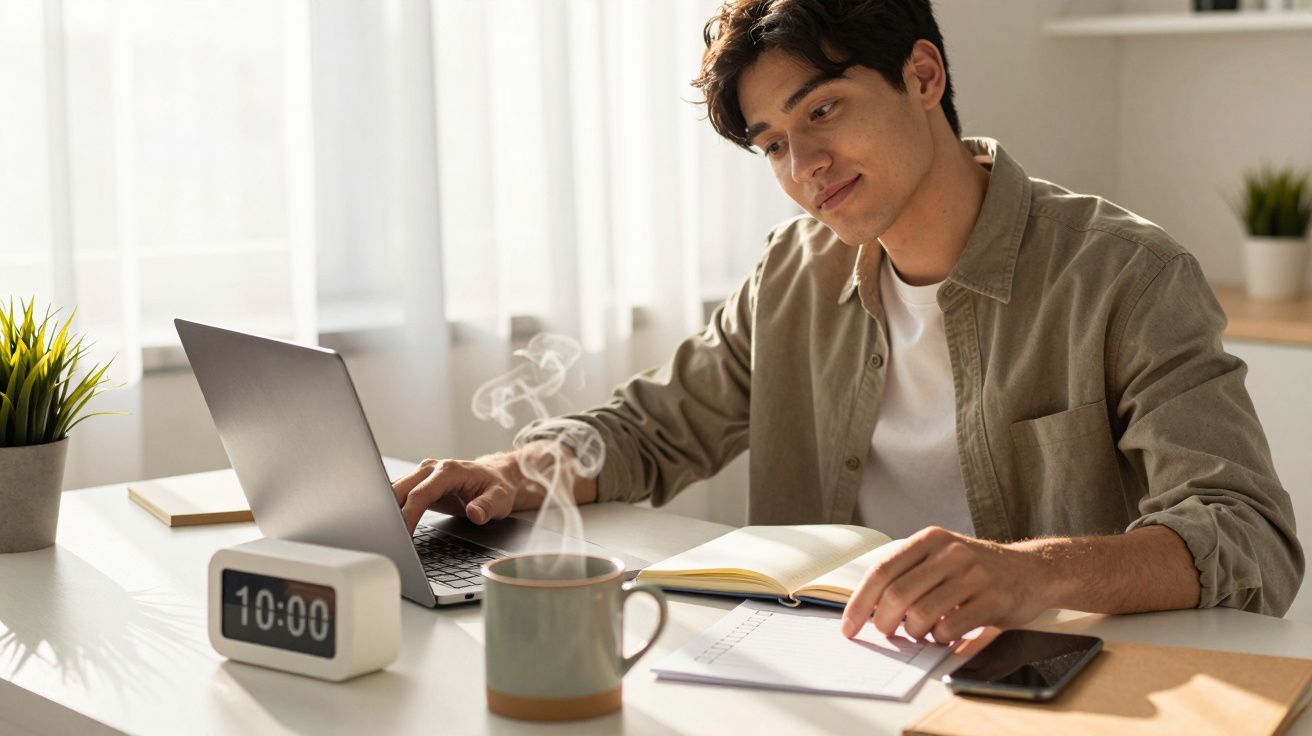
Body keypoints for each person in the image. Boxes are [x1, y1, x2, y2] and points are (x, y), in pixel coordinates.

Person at [391, 0, 1303, 641]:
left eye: (823, 110)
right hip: (826, 669)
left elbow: (1248, 535)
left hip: (1047, 680)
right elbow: (650, 431)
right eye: (775, 145)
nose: (805, 167)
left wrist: (1029, 572)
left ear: (923, 74)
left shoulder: (1126, 276)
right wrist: (513, 470)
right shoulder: (791, 271)